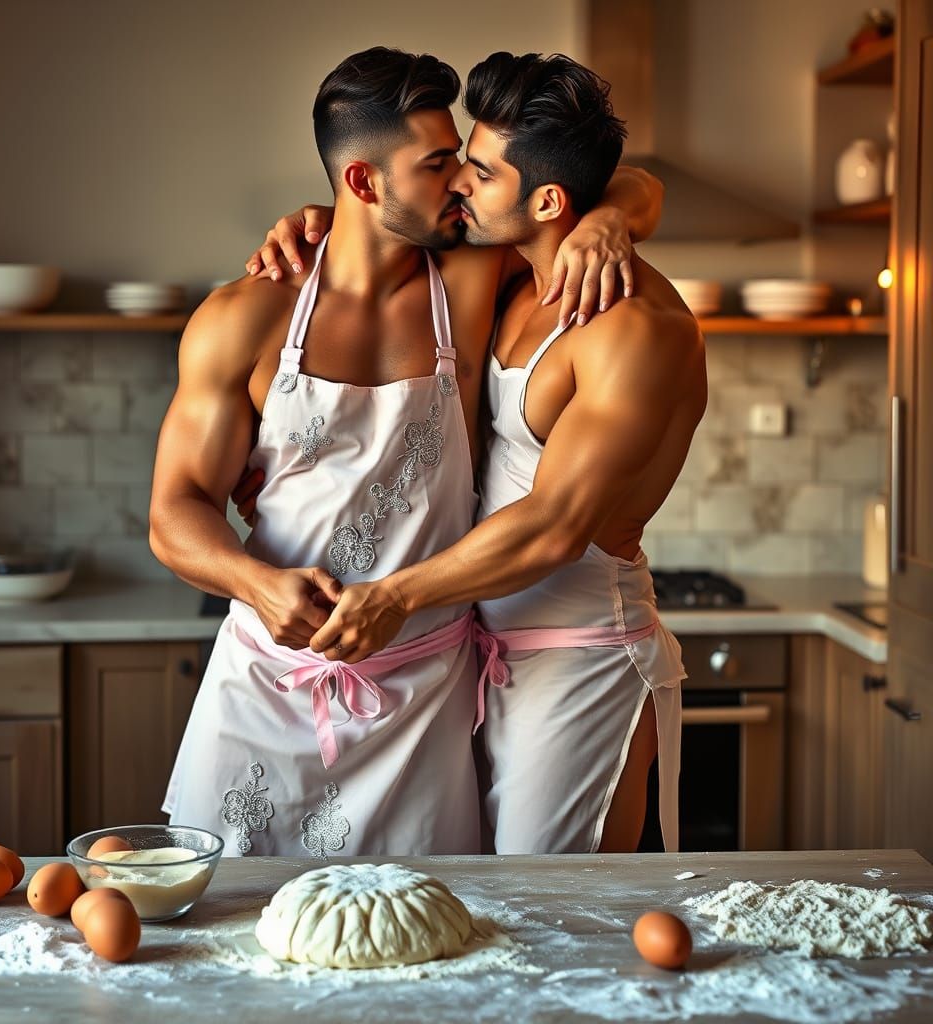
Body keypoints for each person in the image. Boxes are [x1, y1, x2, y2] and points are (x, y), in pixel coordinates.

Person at [149, 46, 664, 857]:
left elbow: (612, 185)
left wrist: (609, 219)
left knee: (427, 927)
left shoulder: (471, 277)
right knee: (231, 919)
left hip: (425, 700)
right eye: (436, 164)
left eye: (462, 159)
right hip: (267, 683)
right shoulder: (244, 317)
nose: (460, 180)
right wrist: (256, 583)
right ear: (363, 182)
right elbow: (174, 511)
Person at [273, 52, 706, 855]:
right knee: (476, 904)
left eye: (480, 170)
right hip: (482, 659)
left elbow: (553, 527)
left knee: (549, 913)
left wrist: (394, 597)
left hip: (581, 665)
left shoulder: (634, 330)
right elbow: (631, 184)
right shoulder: (512, 279)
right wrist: (320, 216)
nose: (460, 184)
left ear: (546, 201)